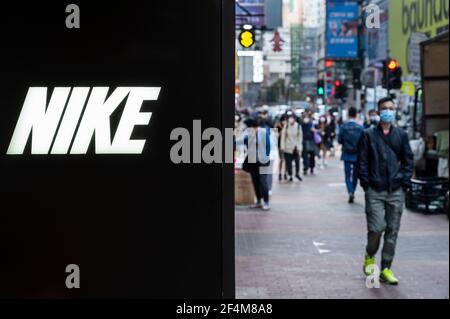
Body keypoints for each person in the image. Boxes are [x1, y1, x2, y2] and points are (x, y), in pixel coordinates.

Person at [358, 97, 414, 285]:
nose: (388, 111)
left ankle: (386, 268)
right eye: (384, 108)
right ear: (378, 111)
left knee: (392, 230)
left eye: (391, 108)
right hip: (375, 190)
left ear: (395, 110)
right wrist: (366, 184)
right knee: (376, 228)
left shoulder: (401, 135)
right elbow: (363, 162)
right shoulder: (368, 135)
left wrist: (404, 182)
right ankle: (370, 254)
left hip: (396, 190)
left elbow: (408, 160)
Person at [237, 117, 273, 211]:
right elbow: (242, 141)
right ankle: (258, 201)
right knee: (255, 182)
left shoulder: (264, 133)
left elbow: (269, 146)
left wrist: (265, 156)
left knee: (263, 182)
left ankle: (266, 202)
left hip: (263, 162)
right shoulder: (249, 135)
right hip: (253, 162)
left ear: (254, 127)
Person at [338, 107, 364, 204]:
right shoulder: (360, 128)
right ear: (356, 115)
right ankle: (353, 190)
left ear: (348, 114)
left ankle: (350, 191)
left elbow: (340, 140)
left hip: (346, 154)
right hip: (357, 154)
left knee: (347, 174)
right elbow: (363, 142)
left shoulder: (343, 127)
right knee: (355, 175)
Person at [281, 114, 303, 182]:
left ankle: (297, 173)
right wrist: (282, 146)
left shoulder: (298, 126)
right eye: (290, 118)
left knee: (297, 161)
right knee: (288, 162)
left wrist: (299, 146)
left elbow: (300, 137)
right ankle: (290, 175)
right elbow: (283, 137)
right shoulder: (286, 126)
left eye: (292, 118)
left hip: (296, 147)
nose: (291, 119)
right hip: (287, 147)